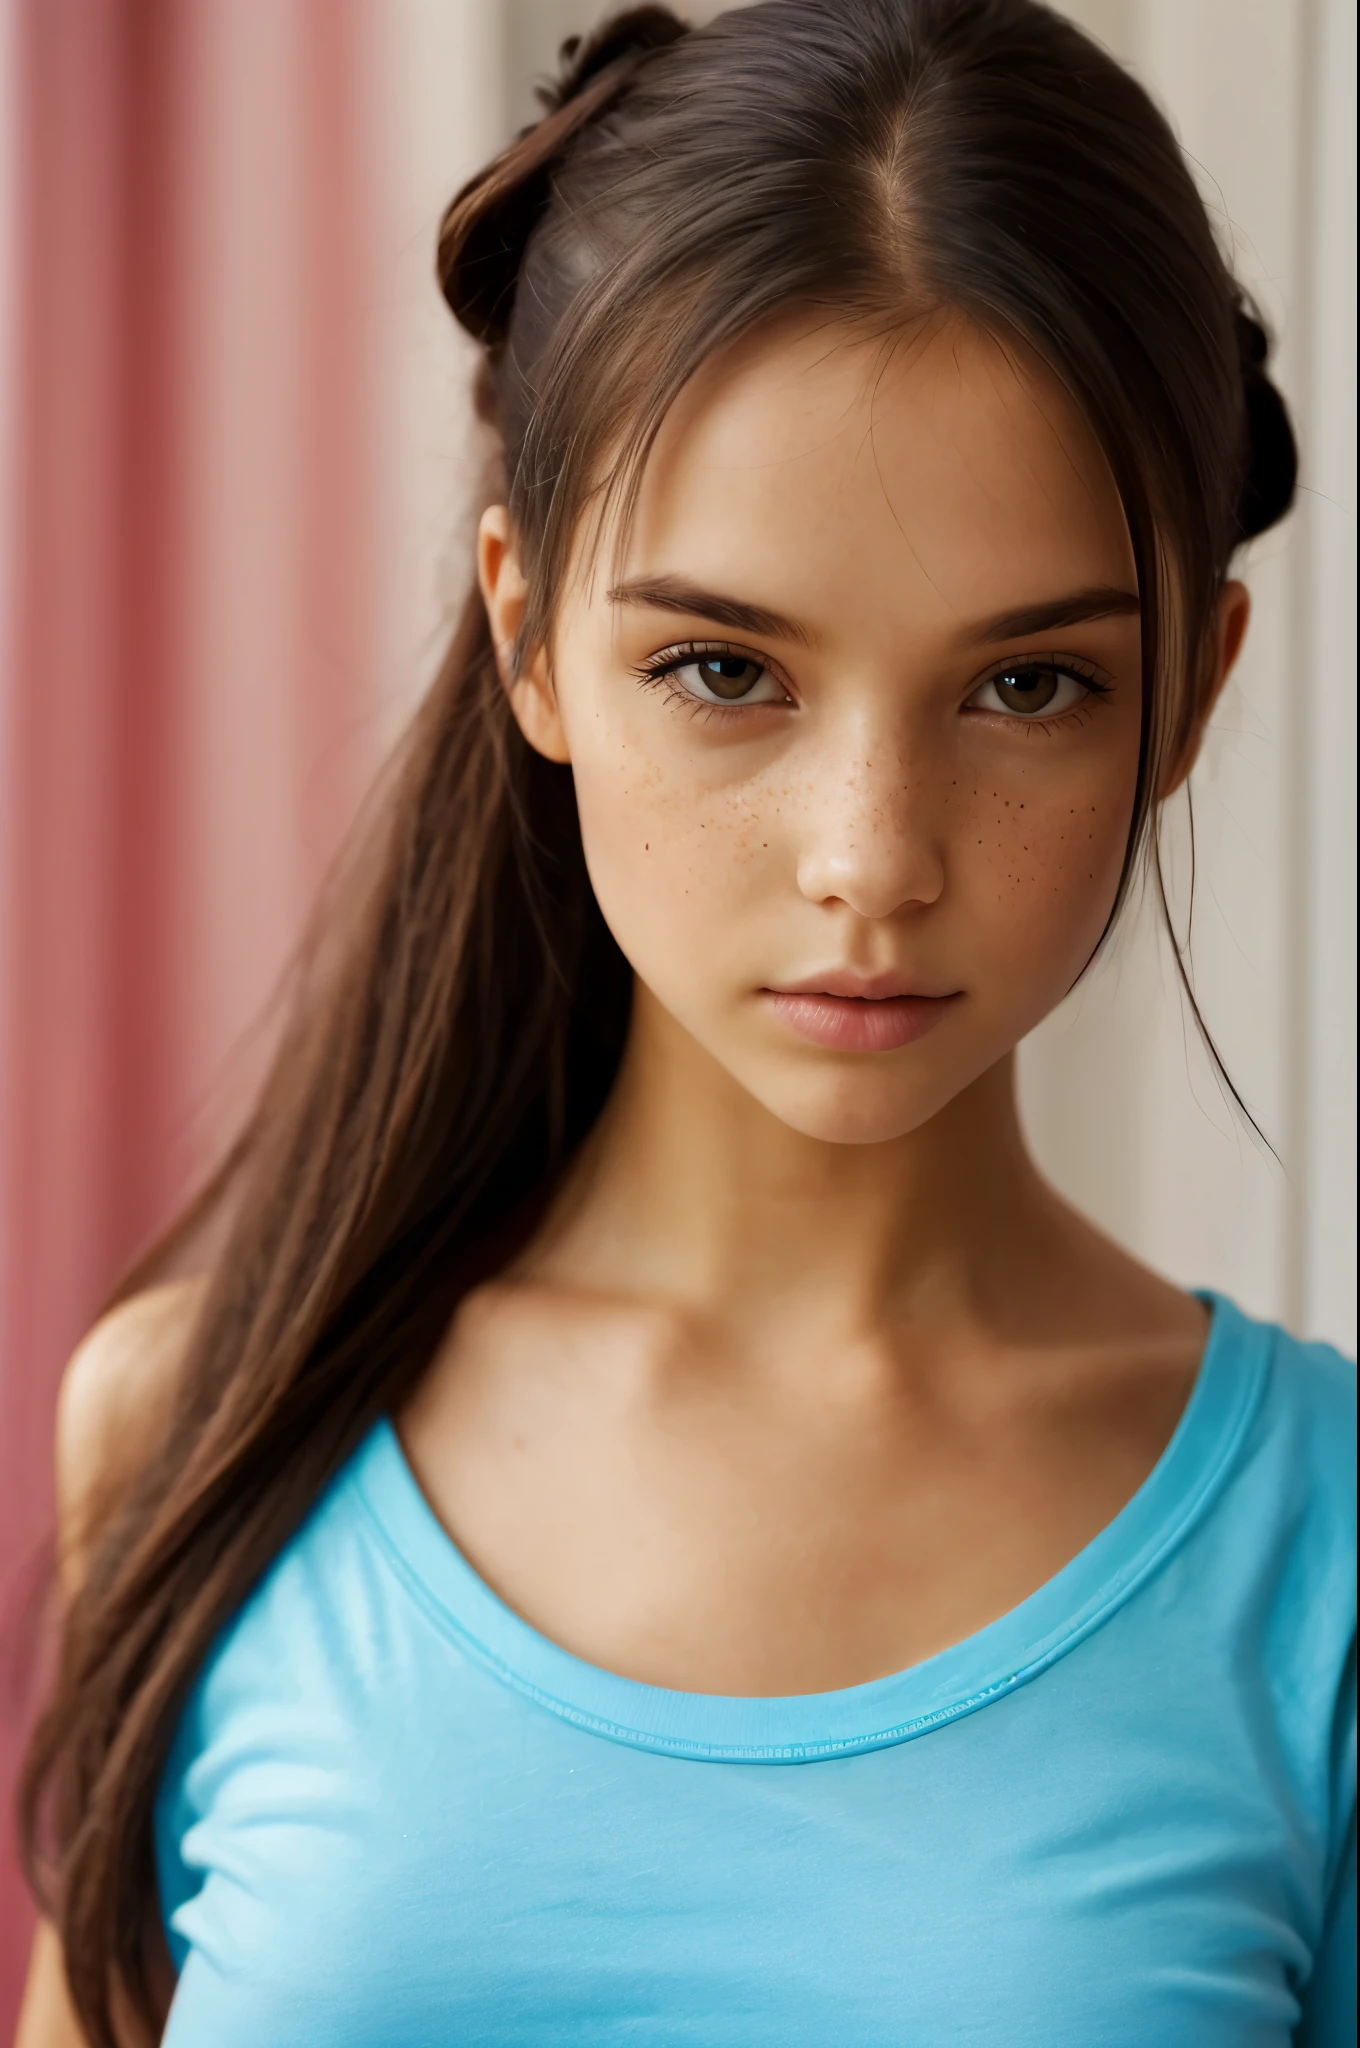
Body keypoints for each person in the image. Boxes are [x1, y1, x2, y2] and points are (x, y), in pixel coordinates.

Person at [16, 2, 1355, 2043]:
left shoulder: (1321, 1552)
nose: (868, 858)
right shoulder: (203, 1433)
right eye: (726, 669)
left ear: (1188, 686)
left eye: (1024, 686)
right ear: (528, 633)